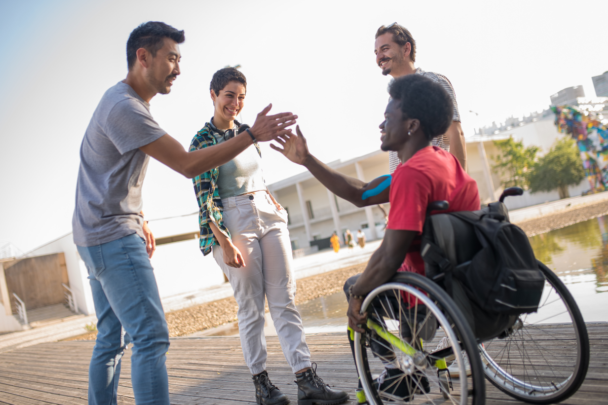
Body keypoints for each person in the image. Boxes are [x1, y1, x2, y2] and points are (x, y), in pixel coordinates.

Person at [73, 22, 297, 405]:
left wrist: (140, 214)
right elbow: (188, 165)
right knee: (150, 337)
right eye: (172, 58)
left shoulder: (122, 102)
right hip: (112, 236)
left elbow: (107, 172)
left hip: (93, 232)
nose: (178, 69)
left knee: (110, 338)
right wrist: (250, 135)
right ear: (143, 57)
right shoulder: (126, 107)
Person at [275, 74, 480, 402]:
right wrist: (308, 160)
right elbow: (361, 192)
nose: (381, 125)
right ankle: (403, 366)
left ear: (411, 125)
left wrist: (357, 295)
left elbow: (389, 256)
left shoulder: (412, 175)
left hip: (431, 296)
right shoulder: (444, 162)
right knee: (377, 280)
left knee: (355, 285)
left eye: (387, 118)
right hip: (465, 285)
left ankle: (397, 369)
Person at [189, 68, 348, 405]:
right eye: (229, 95)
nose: (236, 103)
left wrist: (269, 197)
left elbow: (253, 176)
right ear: (213, 95)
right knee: (250, 306)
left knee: (284, 299)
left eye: (241, 96)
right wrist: (223, 239)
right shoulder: (202, 141)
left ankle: (307, 379)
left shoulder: (247, 132)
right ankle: (263, 386)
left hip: (267, 213)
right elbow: (204, 197)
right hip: (232, 221)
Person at [375, 22, 466, 172]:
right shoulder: (392, 99)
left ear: (406, 49)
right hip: (410, 188)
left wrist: (458, 190)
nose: (379, 57)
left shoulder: (433, 83)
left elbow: (456, 134)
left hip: (435, 186)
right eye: (376, 52)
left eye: (385, 49)